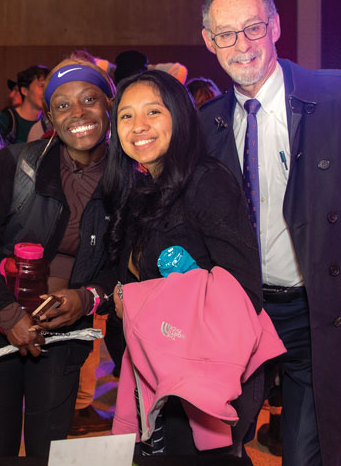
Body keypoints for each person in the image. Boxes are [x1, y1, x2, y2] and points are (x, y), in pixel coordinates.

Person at [197, 0, 341, 466]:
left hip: (321, 312)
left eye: (253, 28)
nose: (242, 44)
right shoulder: (206, 125)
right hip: (242, 313)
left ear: (275, 26)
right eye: (226, 34)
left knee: (309, 455)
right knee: (218, 446)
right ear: (209, 41)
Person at [99, 69, 262, 456]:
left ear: (180, 116)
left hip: (201, 374)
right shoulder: (139, 187)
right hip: (158, 369)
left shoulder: (206, 181)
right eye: (126, 115)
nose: (138, 125)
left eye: (153, 112)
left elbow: (244, 293)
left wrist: (136, 300)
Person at [0, 54, 114, 457]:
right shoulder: (14, 165)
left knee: (49, 450)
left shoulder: (127, 181)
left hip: (64, 331)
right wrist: (8, 314)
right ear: (50, 117)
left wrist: (87, 298)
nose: (77, 112)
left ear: (109, 105)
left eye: (89, 99)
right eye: (62, 105)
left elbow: (121, 267)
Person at [0, 65, 49, 144]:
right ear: (25, 91)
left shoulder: (48, 124)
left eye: (48, 87)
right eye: (42, 86)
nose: (47, 91)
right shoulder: (4, 120)